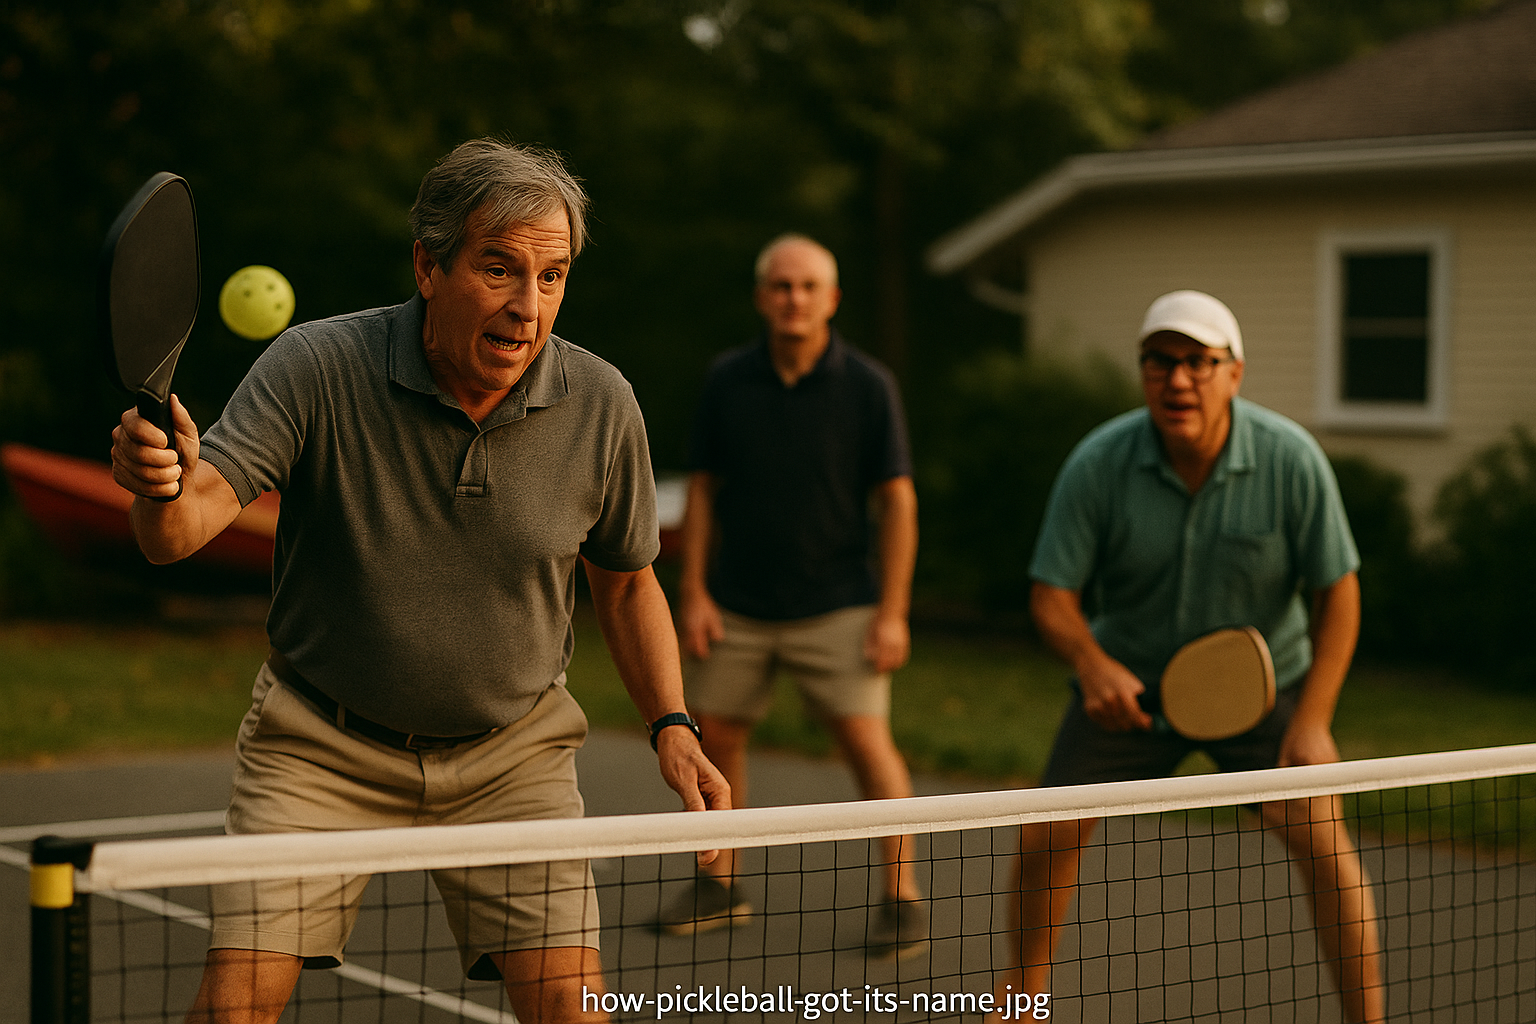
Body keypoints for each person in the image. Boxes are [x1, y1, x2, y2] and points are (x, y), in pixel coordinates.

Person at [109, 138, 729, 1024]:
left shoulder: (602, 404)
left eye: (552, 277)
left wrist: (672, 723)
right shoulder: (316, 366)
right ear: (428, 266)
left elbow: (627, 583)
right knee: (235, 1005)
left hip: (514, 755)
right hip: (318, 744)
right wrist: (159, 479)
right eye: (499, 268)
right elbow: (178, 532)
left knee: (572, 1007)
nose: (528, 307)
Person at [994, 291, 1385, 1023]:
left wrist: (1315, 719)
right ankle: (1019, 1005)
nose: (1179, 380)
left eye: (1199, 363)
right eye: (1161, 362)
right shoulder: (1098, 463)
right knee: (1047, 832)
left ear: (1234, 373)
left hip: (1264, 696)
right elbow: (1052, 594)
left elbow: (1340, 592)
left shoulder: (1290, 459)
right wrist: (1091, 663)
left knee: (1326, 848)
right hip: (1129, 689)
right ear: (1143, 373)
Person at [656, 233, 925, 958]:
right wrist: (695, 593)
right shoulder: (727, 381)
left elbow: (898, 501)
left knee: (867, 746)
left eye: (808, 287)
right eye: (781, 286)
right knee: (719, 739)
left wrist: (893, 611)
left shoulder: (869, 387)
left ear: (832, 300)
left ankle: (901, 895)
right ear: (761, 297)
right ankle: (720, 884)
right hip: (736, 603)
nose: (793, 298)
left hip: (840, 603)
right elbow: (704, 492)